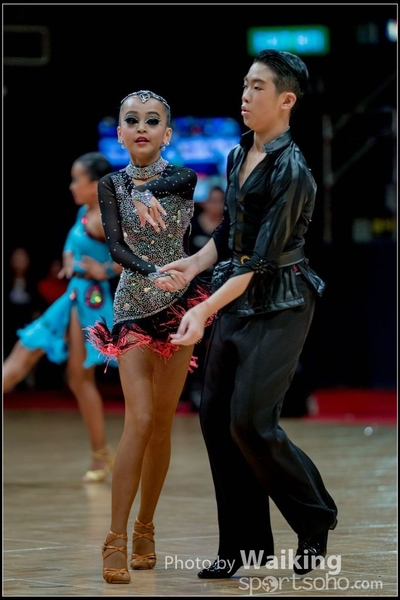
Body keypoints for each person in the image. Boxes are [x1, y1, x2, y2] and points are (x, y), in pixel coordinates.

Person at [156, 50, 338, 578]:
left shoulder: (293, 170)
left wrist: (204, 309)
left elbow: (260, 260)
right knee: (216, 422)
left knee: (252, 425)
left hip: (281, 300)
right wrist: (193, 265)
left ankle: (315, 516)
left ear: (286, 100)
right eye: (245, 84)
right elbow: (230, 233)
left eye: (258, 86)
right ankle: (242, 545)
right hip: (235, 293)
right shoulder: (238, 154)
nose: (246, 94)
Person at [85, 90, 213, 584]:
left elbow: (173, 181)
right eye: (132, 121)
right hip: (134, 306)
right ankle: (114, 537)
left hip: (178, 306)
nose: (142, 127)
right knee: (138, 419)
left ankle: (146, 527)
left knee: (161, 423)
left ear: (167, 134)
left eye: (152, 121)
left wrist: (145, 193)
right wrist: (151, 270)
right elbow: (116, 247)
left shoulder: (184, 177)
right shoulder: (110, 184)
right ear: (119, 133)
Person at [3, 152, 122, 483]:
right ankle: (101, 455)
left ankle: (101, 455)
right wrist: (70, 259)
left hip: (90, 301)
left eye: (76, 180)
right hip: (72, 296)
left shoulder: (104, 219)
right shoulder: (85, 212)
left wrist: (105, 270)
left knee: (78, 380)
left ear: (94, 184)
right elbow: (71, 245)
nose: (71, 186)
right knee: (23, 359)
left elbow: (129, 256)